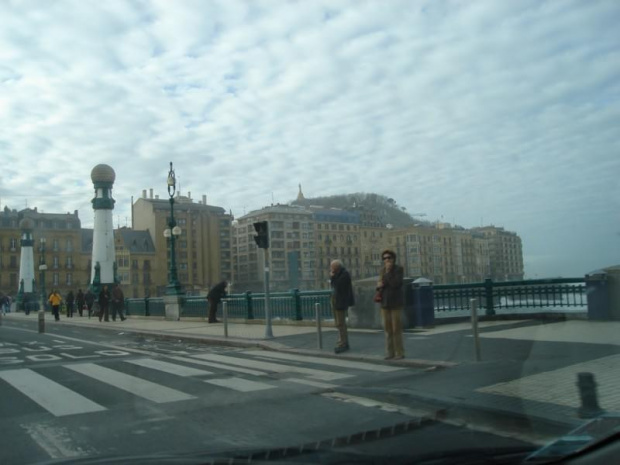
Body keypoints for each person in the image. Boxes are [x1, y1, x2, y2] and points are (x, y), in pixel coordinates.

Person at [376, 249, 405, 360]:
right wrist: (378, 285)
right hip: (385, 302)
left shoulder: (398, 269)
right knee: (387, 329)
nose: (387, 260)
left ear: (393, 259)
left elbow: (395, 284)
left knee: (396, 329)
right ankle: (389, 352)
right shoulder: (382, 270)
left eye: (389, 257)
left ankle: (399, 352)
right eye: (384, 258)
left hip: (395, 302)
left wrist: (388, 273)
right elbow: (380, 285)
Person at [330, 259, 355, 354]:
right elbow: (334, 285)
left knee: (341, 324)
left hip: (341, 302)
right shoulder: (339, 274)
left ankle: (343, 343)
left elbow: (338, 285)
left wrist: (333, 277)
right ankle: (342, 341)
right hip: (337, 301)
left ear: (337, 267)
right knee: (338, 323)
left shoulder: (344, 274)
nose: (331, 269)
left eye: (332, 267)